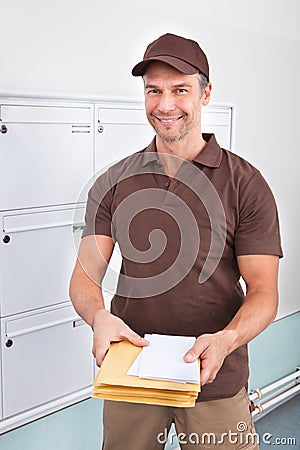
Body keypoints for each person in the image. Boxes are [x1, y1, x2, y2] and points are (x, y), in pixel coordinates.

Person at [69, 33, 283, 449]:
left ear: (206, 93)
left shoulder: (245, 184)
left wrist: (227, 339)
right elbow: (84, 277)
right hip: (131, 372)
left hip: (214, 377)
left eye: (180, 89)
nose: (165, 105)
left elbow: (263, 292)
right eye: (154, 91)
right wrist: (98, 317)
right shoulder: (113, 183)